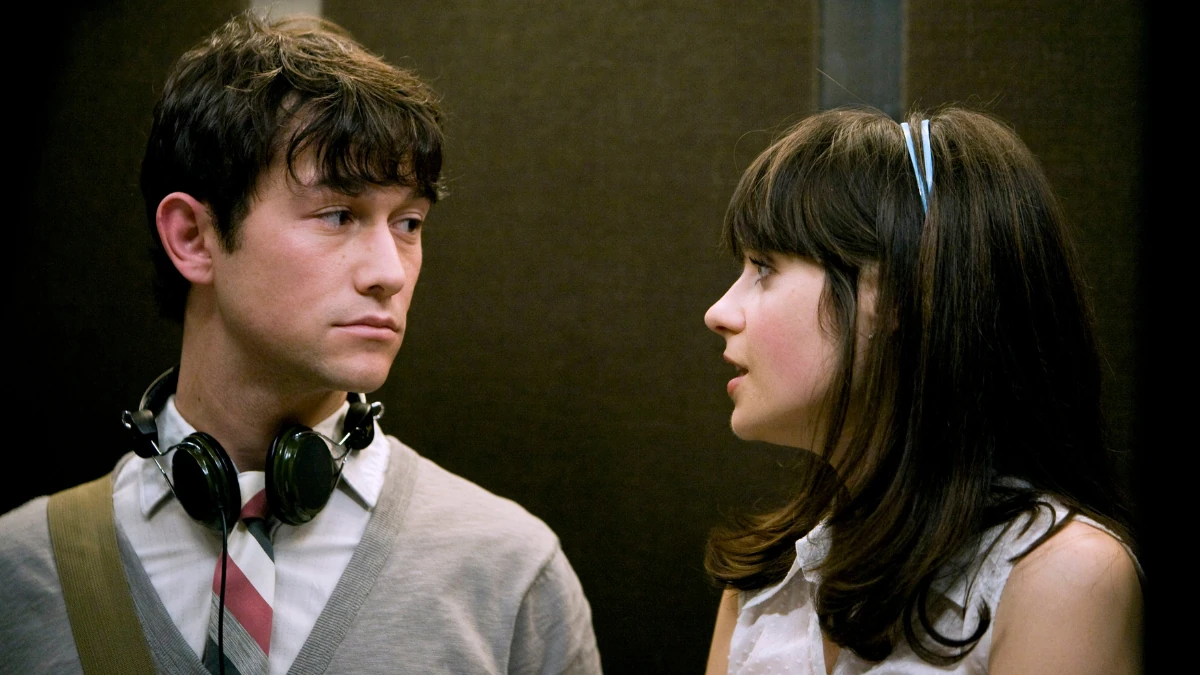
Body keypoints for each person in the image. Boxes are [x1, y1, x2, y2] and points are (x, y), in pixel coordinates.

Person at [0, 11, 601, 675]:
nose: (389, 272)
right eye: (338, 215)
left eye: (408, 223)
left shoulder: (510, 576)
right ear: (193, 238)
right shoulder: (20, 574)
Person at [700, 107, 1142, 674]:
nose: (719, 311)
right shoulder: (766, 578)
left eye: (764, 267)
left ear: (897, 294)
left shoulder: (1059, 574)